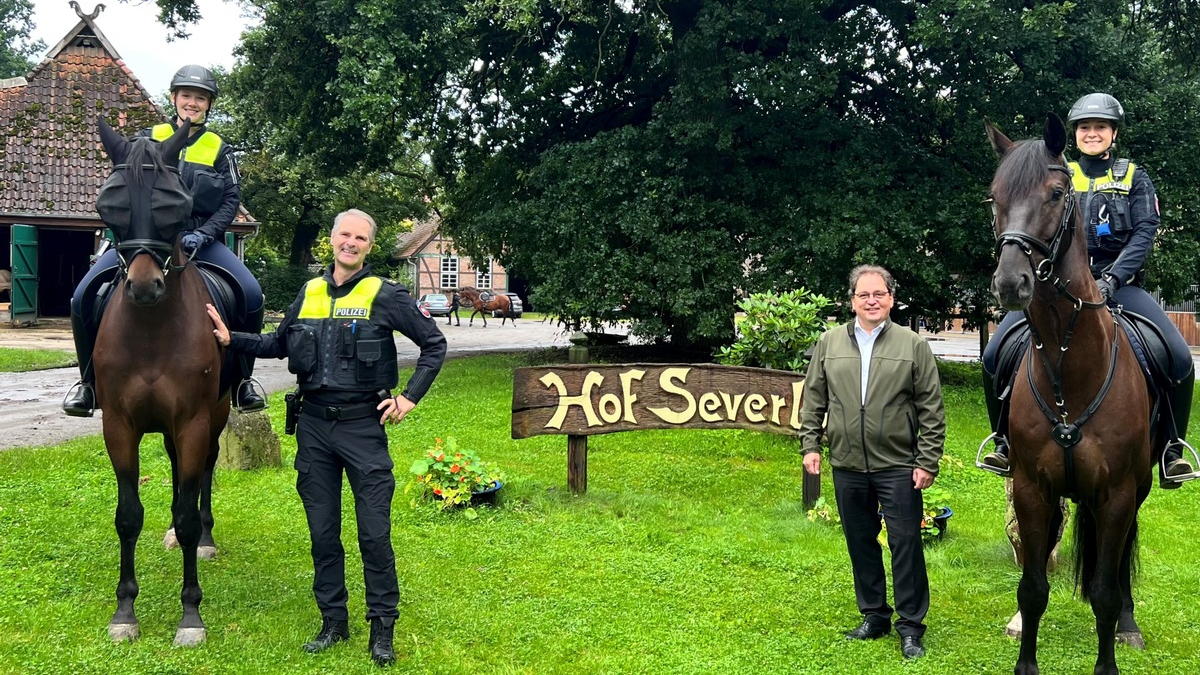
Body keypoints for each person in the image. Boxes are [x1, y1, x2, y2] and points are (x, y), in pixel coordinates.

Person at [208, 208, 446, 666]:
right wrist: (229, 338)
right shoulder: (310, 292)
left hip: (363, 427)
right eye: (344, 235)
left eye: (360, 237)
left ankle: (382, 627)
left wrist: (408, 398)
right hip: (314, 427)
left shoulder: (386, 294)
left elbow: (434, 344)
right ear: (332, 240)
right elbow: (278, 344)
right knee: (323, 533)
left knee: (374, 533)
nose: (350, 243)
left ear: (369, 246)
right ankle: (333, 621)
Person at [980, 92, 1196, 488]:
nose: (1091, 133)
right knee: (995, 354)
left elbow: (1145, 231)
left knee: (1180, 357)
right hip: (1056, 288)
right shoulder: (1056, 172)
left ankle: (1171, 449)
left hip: (1120, 285)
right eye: (1084, 127)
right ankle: (1003, 440)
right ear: (1074, 135)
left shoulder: (1134, 176)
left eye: (1100, 126)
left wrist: (1113, 278)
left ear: (1114, 133)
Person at [64, 64, 266, 416]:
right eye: (186, 95)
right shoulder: (147, 137)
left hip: (201, 238)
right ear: (174, 98)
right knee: (82, 296)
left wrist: (204, 234)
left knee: (251, 294)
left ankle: (242, 382)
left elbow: (231, 199)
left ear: (209, 104)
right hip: (148, 239)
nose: (192, 102)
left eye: (200, 98)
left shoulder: (220, 148)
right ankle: (87, 384)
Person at [799, 265, 946, 660]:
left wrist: (927, 460)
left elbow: (931, 408)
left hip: (897, 463)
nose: (872, 301)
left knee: (906, 544)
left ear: (891, 299)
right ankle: (874, 616)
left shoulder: (912, 346)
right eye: (864, 295)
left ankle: (911, 627)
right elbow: (813, 400)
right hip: (847, 463)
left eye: (879, 294)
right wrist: (810, 445)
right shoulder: (829, 343)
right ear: (852, 301)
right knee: (860, 543)